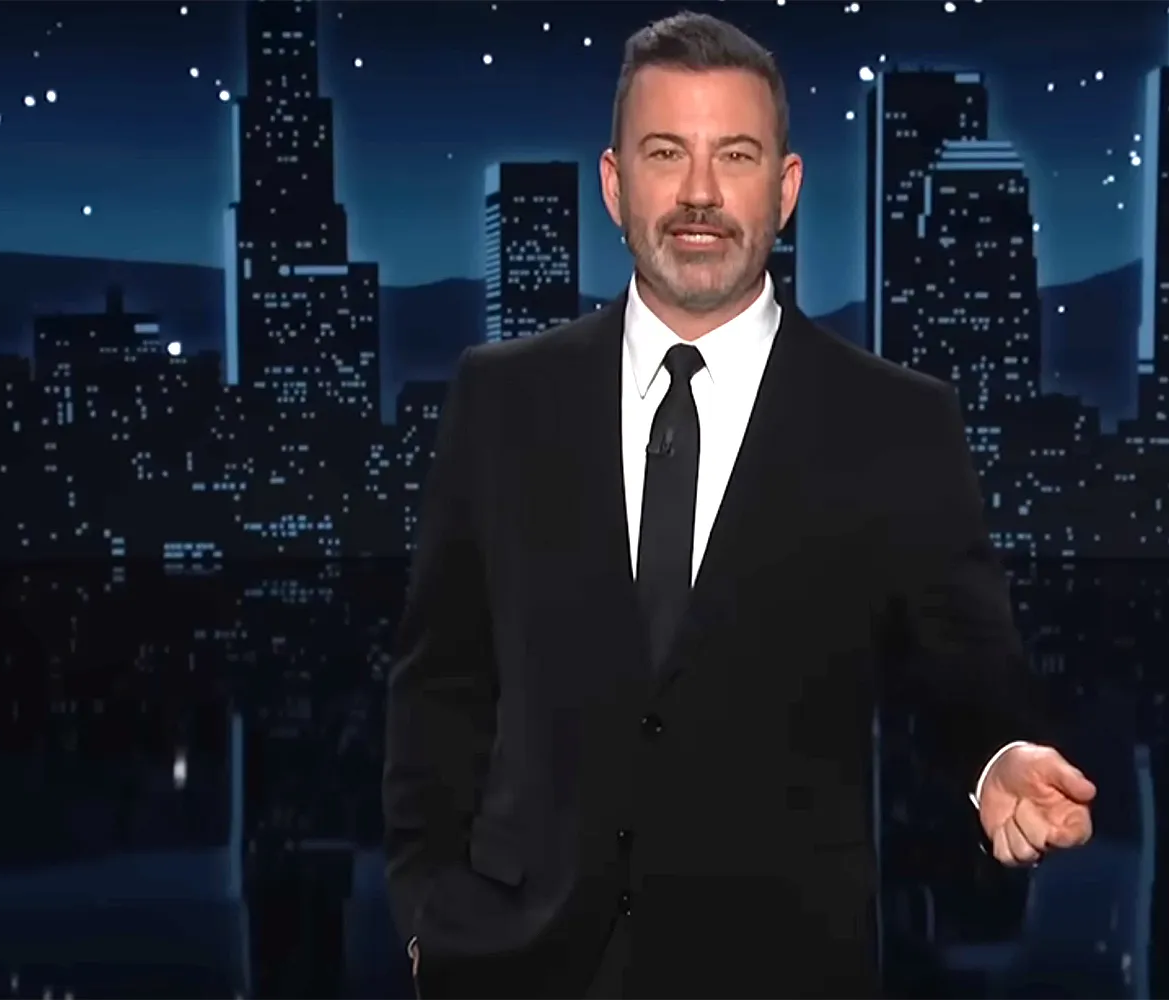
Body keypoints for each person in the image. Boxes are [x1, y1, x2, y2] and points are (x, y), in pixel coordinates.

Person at [382, 11, 1096, 999]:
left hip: (783, 964)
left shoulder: (896, 420)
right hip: (521, 965)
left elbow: (962, 662)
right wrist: (428, 920)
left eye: (736, 155)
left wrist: (999, 757)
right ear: (614, 184)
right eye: (665, 152)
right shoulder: (501, 398)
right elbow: (442, 685)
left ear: (786, 189)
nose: (700, 193)